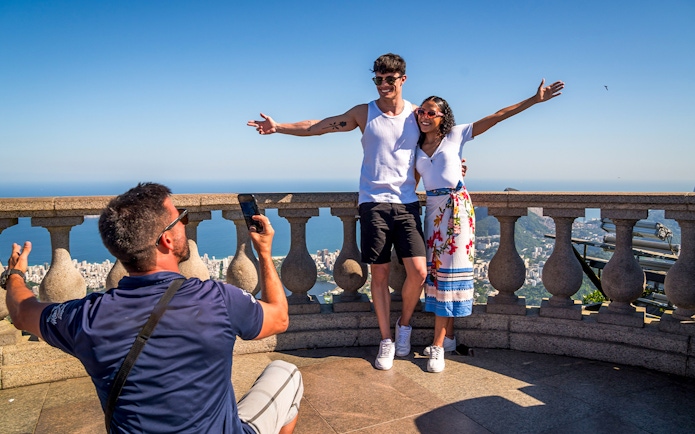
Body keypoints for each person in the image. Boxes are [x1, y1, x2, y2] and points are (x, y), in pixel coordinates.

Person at [1, 182, 303, 434]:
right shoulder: (216, 300)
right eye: (181, 218)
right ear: (166, 240)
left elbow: (21, 311)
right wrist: (264, 252)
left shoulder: (84, 318)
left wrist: (15, 275)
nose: (185, 222)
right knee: (286, 373)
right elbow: (279, 318)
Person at [247, 53, 427, 371]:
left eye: (389, 78)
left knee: (419, 272)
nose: (383, 84)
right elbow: (319, 126)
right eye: (378, 79)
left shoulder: (417, 114)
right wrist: (279, 128)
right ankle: (386, 339)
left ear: (403, 79)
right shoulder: (364, 113)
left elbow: (441, 144)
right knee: (380, 274)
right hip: (373, 204)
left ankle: (405, 326)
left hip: (408, 204)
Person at [415, 79, 564, 373]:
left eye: (431, 113)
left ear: (444, 118)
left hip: (456, 213)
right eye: (421, 111)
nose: (424, 117)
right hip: (432, 214)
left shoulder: (456, 136)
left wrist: (533, 100)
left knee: (448, 279)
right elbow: (410, 180)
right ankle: (449, 339)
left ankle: (436, 347)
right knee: (438, 278)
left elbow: (497, 116)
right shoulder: (417, 145)